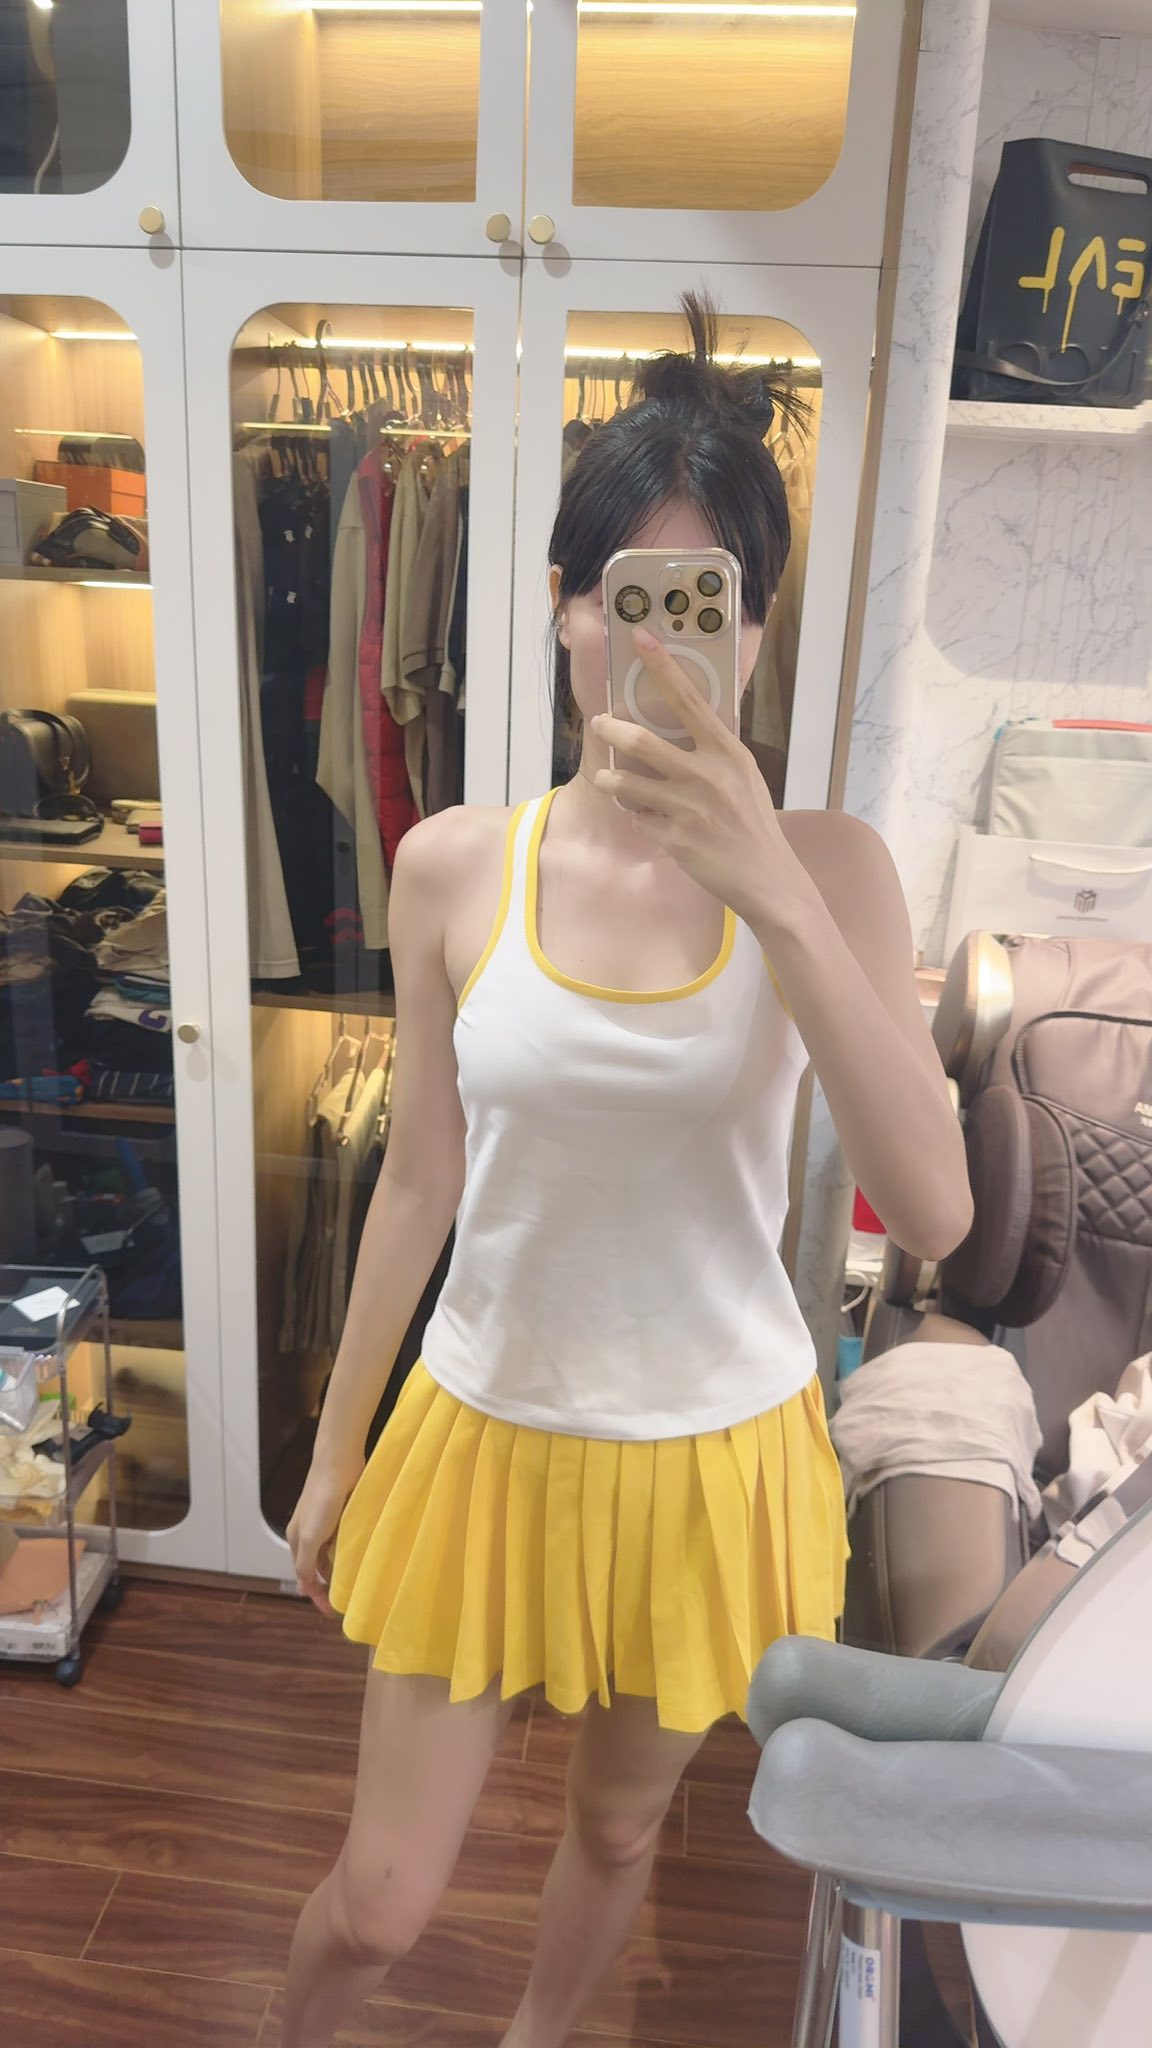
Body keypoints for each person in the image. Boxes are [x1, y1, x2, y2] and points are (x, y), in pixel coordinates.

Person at [283, 294, 973, 2047]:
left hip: (710, 1454)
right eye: (624, 593)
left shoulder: (832, 867)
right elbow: (420, 1181)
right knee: (379, 1899)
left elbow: (940, 1210)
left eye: (706, 598)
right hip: (484, 1430)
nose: (657, 637)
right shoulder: (454, 865)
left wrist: (773, 891)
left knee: (610, 1829)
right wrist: (335, 1449)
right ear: (562, 608)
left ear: (756, 628)